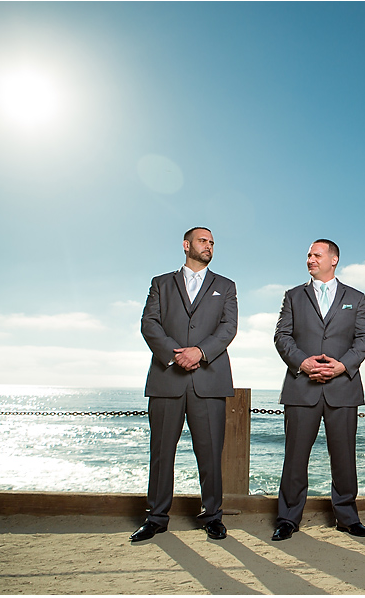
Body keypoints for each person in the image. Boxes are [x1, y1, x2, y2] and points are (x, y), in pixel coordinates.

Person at [131, 227, 238, 542]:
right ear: (186, 245)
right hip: (167, 379)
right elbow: (149, 323)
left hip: (210, 380)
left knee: (210, 453)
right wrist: (173, 355)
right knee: (162, 452)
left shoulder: (226, 286)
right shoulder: (161, 283)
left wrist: (200, 353)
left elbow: (228, 327)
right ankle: (156, 518)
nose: (209, 246)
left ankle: (212, 516)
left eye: (213, 242)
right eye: (203, 241)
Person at [271, 239, 365, 541]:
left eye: (316, 255)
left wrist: (342, 366)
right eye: (308, 255)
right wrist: (303, 363)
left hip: (343, 388)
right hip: (301, 388)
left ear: (334, 260)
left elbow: (364, 339)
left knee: (344, 457)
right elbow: (282, 336)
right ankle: (288, 519)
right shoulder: (293, 296)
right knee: (295, 457)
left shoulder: (356, 297)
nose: (310, 259)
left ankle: (347, 517)